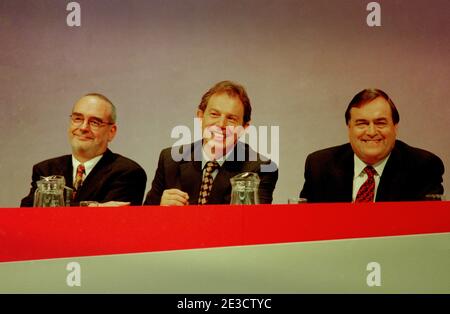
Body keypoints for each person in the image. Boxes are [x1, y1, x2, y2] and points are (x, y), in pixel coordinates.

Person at [144, 80, 278, 205]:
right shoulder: (170, 160)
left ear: (244, 128)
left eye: (231, 119)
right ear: (200, 117)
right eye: (214, 114)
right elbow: (143, 220)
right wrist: (160, 210)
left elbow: (254, 224)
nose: (221, 124)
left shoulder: (260, 169)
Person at [300, 88, 444, 202]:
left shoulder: (423, 167)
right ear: (349, 128)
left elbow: (426, 230)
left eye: (380, 123)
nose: (371, 131)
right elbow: (305, 225)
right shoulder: (320, 166)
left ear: (395, 128)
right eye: (362, 124)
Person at [21, 93, 147, 206]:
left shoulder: (128, 173)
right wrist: (94, 208)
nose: (83, 127)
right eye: (78, 119)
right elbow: (26, 217)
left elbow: (107, 224)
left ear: (111, 132)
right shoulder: (46, 170)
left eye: (94, 122)